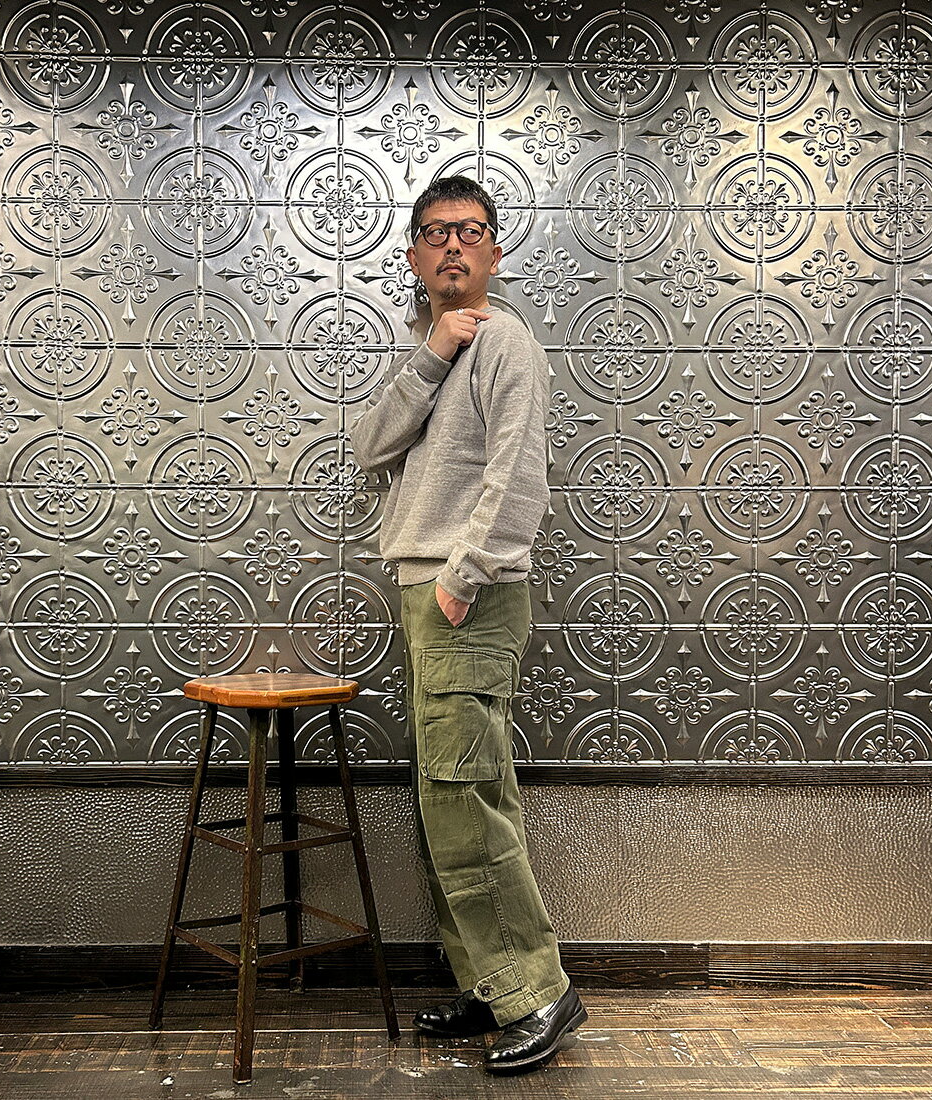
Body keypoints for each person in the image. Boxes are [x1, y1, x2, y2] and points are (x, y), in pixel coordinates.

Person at [350, 175, 586, 1075]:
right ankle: (493, 986)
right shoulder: (435, 346)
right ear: (414, 254)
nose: (454, 244)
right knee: (449, 797)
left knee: (465, 798)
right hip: (428, 592)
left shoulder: (508, 342)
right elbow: (371, 447)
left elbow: (519, 475)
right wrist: (432, 354)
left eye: (471, 230)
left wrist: (464, 578)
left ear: (495, 250)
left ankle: (538, 994)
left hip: (467, 597)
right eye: (436, 231)